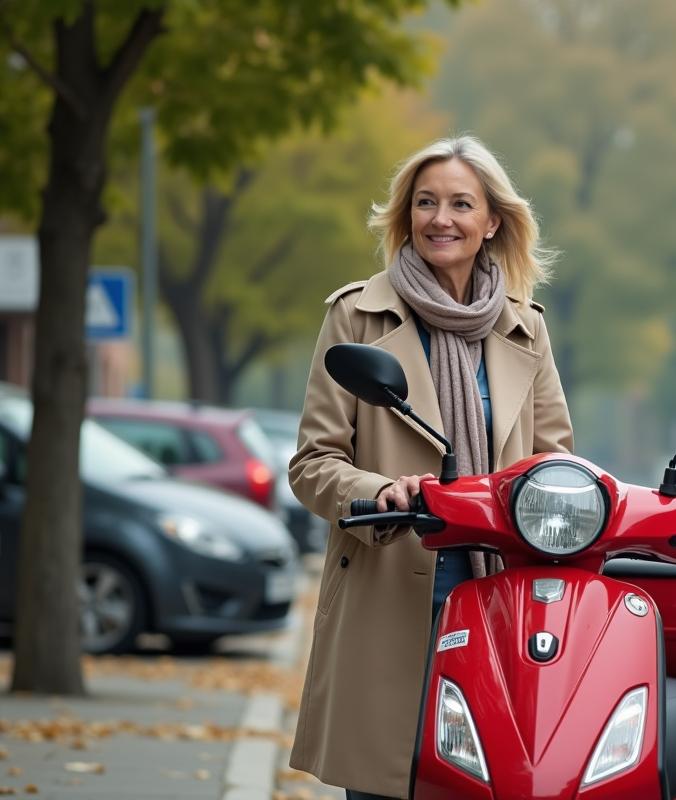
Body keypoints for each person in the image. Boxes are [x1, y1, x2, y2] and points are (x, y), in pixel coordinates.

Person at [287, 136, 574, 799]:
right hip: (390, 582)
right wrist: (380, 489)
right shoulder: (356, 314)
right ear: (407, 215)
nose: (440, 218)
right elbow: (312, 463)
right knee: (388, 782)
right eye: (425, 202)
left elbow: (553, 459)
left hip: (501, 591)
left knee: (494, 780)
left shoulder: (525, 327)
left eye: (460, 203)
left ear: (492, 221)